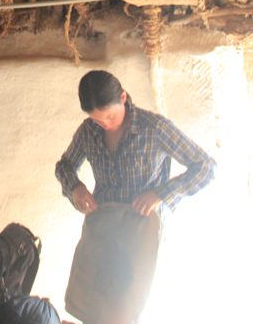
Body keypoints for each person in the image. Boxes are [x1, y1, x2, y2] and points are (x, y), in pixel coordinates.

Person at [55, 70, 216, 324]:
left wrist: (161, 194)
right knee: (89, 304)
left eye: (110, 115)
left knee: (129, 310)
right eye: (98, 120)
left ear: (123, 97)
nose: (106, 124)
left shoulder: (155, 128)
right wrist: (75, 188)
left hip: (143, 230)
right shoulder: (88, 132)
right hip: (103, 227)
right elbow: (63, 166)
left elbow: (205, 167)